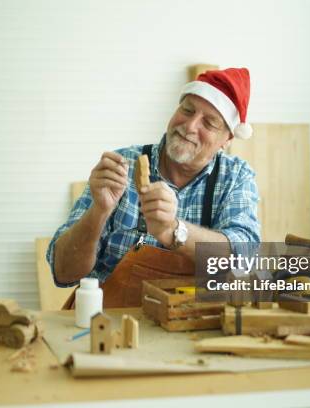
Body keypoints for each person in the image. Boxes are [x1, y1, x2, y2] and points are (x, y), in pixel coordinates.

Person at [47, 67, 260, 307]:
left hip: (190, 327)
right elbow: (63, 272)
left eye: (209, 123)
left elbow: (245, 257)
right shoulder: (121, 166)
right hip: (107, 324)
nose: (190, 126)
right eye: (187, 110)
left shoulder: (235, 177)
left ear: (226, 140)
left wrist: (174, 231)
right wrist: (98, 211)